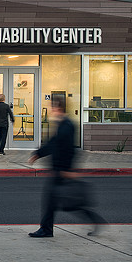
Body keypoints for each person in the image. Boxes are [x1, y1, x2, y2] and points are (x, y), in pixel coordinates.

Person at [27, 98, 106, 238]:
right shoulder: (62, 124)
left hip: (61, 170)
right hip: (59, 169)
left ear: (59, 108)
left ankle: (47, 229)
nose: (51, 110)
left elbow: (69, 149)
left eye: (53, 108)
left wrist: (67, 169)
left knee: (64, 203)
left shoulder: (67, 126)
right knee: (58, 202)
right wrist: (38, 154)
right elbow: (53, 143)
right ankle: (47, 229)